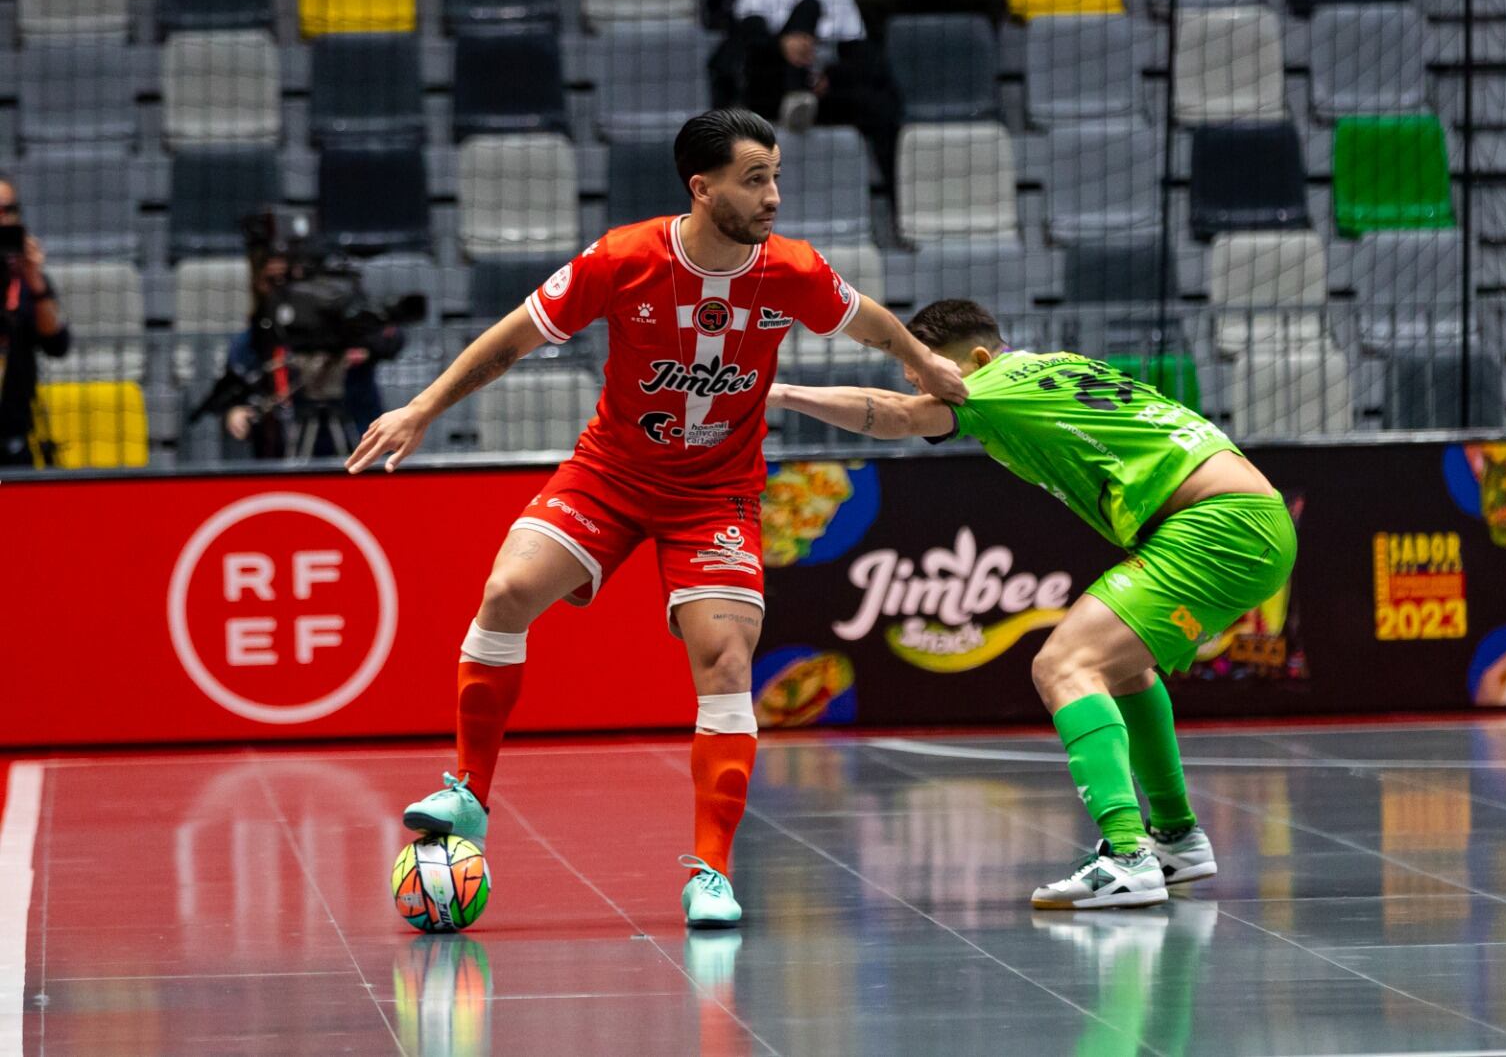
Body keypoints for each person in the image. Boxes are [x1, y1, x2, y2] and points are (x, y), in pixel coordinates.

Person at [344, 109, 967, 927]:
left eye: (777, 176)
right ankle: (467, 794)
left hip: (717, 494)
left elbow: (869, 319)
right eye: (755, 180)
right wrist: (422, 408)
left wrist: (923, 361)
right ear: (701, 188)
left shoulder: (793, 270)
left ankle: (710, 873)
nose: (774, 195)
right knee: (505, 594)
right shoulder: (624, 258)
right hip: (611, 475)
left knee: (726, 658)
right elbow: (514, 339)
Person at [767, 299, 1297, 909]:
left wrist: (779, 394)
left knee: (1063, 666)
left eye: (931, 371)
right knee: (1123, 669)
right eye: (916, 376)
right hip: (1252, 517)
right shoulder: (1061, 364)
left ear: (979, 357)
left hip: (1214, 525)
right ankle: (1176, 837)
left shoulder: (989, 384)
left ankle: (1127, 856)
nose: (925, 386)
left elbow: (890, 417)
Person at [711, 0, 903, 183]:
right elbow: (748, 36)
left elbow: (859, 52)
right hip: (772, 86)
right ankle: (797, 94)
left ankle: (897, 199)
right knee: (808, 7)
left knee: (882, 105)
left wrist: (828, 78)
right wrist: (782, 45)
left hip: (823, 89)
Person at [223, 252, 395, 460]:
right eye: (271, 281)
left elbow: (392, 339)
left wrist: (366, 349)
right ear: (257, 283)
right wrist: (236, 409)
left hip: (358, 440)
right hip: (289, 445)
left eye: (287, 280)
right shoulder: (257, 337)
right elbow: (235, 385)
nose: (280, 289)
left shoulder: (347, 323)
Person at [0, 175, 70, 467]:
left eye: (8, 209)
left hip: (13, 432)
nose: (1, 219)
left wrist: (35, 279)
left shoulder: (28, 280)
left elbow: (57, 343)